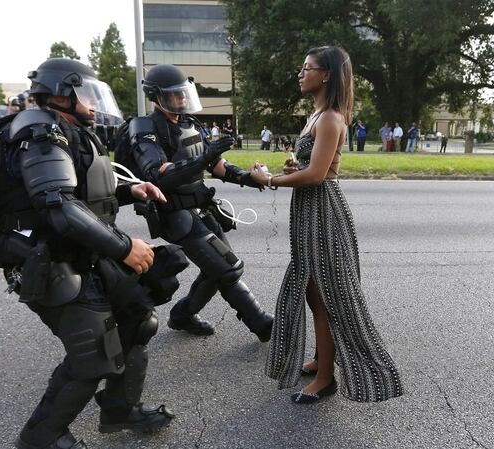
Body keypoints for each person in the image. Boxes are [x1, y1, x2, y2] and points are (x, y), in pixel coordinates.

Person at [0, 58, 176, 449]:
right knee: (93, 353)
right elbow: (58, 205)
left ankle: (119, 408)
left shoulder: (70, 129)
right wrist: (126, 248)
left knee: (137, 319)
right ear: (61, 93)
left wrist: (130, 190)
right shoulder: (40, 132)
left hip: (83, 250)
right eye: (86, 94)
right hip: (48, 259)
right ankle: (42, 436)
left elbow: (83, 193)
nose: (93, 103)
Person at [249, 46, 403, 404]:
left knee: (326, 296)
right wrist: (292, 169)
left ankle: (325, 378)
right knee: (311, 290)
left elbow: (318, 175)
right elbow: (310, 167)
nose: (301, 73)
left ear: (327, 74)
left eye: (308, 68)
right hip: (310, 210)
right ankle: (322, 358)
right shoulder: (316, 116)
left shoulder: (332, 118)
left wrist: (269, 179)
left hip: (323, 212)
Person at [128, 63, 274, 340]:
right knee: (227, 268)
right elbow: (158, 175)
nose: (182, 99)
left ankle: (183, 315)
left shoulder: (189, 123)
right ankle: (262, 324)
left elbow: (216, 165)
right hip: (175, 214)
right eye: (175, 94)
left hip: (201, 208)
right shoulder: (145, 127)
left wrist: (249, 178)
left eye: (184, 93)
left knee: (216, 268)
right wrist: (204, 158)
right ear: (156, 96)